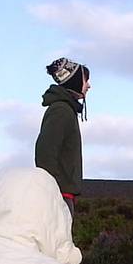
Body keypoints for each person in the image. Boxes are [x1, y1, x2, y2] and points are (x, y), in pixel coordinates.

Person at [35, 57, 91, 215]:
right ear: (74, 81)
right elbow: (45, 153)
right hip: (58, 196)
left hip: (63, 194)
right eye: (85, 80)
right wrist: (53, 191)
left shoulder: (65, 109)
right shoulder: (61, 110)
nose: (88, 86)